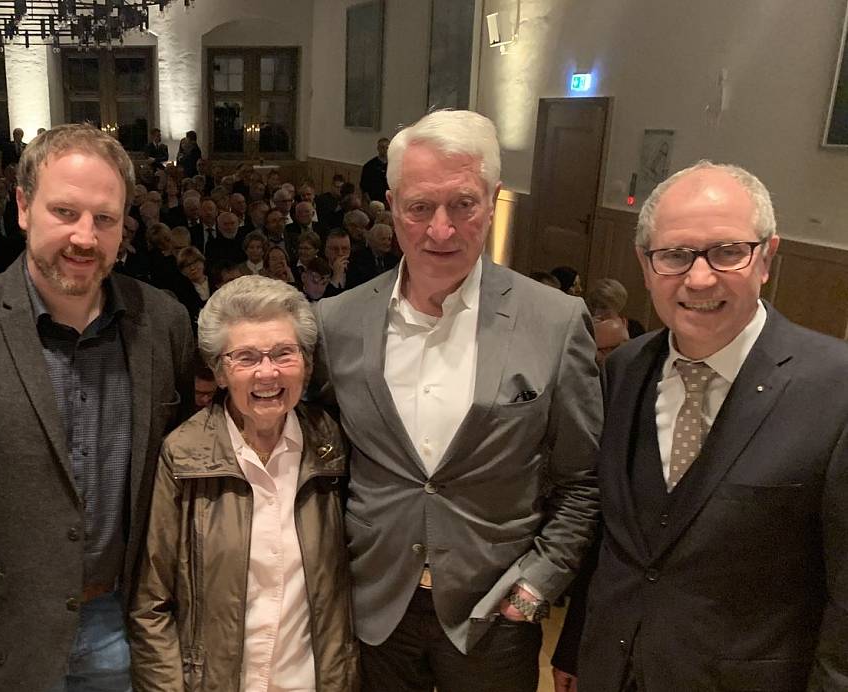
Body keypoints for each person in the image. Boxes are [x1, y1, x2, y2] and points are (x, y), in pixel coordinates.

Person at [310, 110, 601, 691]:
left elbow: (583, 480)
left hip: (494, 613)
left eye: (462, 204)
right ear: (391, 206)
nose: (440, 229)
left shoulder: (556, 321)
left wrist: (538, 583)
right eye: (420, 207)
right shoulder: (336, 322)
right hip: (373, 607)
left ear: (492, 201)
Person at [0, 123, 195, 692]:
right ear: (24, 207)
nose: (85, 236)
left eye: (104, 218)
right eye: (65, 212)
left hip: (124, 625)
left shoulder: (164, 321)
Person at [552, 161, 848, 692]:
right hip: (610, 671)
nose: (700, 277)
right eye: (675, 255)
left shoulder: (836, 389)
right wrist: (575, 644)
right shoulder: (624, 369)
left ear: (767, 259)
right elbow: (611, 537)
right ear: (647, 266)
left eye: (727, 251)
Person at [130, 275, 357, 690]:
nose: (267, 373)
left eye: (284, 354)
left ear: (306, 365)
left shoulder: (334, 448)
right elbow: (151, 604)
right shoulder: (182, 455)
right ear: (219, 371)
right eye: (246, 357)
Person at [360, 137, 390, 204]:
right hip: (374, 200)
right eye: (382, 147)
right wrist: (368, 200)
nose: (385, 150)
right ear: (378, 148)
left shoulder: (394, 164)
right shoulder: (369, 166)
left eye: (387, 147)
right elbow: (364, 185)